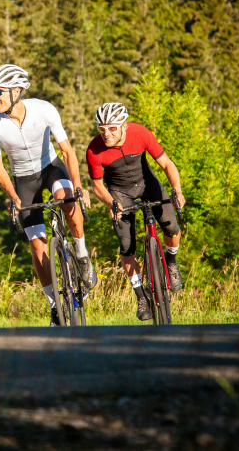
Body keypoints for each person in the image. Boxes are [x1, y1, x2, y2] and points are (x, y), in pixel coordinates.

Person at [0, 64, 97, 326]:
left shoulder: (44, 109)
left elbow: (67, 151)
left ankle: (81, 253)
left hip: (51, 168)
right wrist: (13, 196)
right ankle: (54, 303)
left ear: (16, 91)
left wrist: (78, 186)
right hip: (23, 179)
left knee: (67, 198)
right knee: (37, 245)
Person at [85, 103, 186, 321]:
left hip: (147, 184)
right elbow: (97, 186)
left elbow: (166, 164)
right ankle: (141, 296)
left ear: (123, 126)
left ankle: (171, 262)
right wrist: (111, 203)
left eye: (112, 128)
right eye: (101, 129)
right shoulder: (94, 150)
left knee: (171, 225)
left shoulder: (140, 133)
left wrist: (177, 190)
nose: (106, 133)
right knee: (126, 245)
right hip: (120, 193)